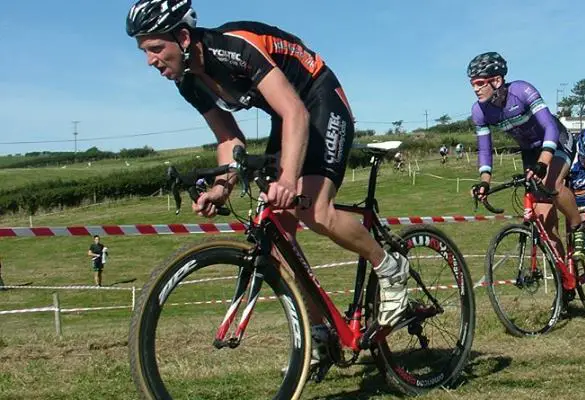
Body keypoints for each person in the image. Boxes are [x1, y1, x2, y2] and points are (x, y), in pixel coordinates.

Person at [125, 0, 410, 330]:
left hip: (317, 98)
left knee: (313, 208)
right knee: (276, 237)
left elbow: (296, 112)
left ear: (184, 38)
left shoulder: (234, 47)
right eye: (144, 51)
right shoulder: (188, 82)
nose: (150, 61)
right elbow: (229, 138)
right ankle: (318, 331)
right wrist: (222, 188)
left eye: (156, 48)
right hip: (287, 115)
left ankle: (389, 266)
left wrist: (289, 178)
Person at [466, 52, 585, 259]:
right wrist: (484, 181)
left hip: (555, 140)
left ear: (496, 80)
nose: (475, 89)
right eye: (472, 84)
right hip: (530, 151)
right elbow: (485, 149)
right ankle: (566, 282)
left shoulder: (522, 90)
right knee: (544, 224)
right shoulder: (479, 112)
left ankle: (578, 228)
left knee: (552, 184)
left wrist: (543, 162)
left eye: (479, 83)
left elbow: (549, 125)